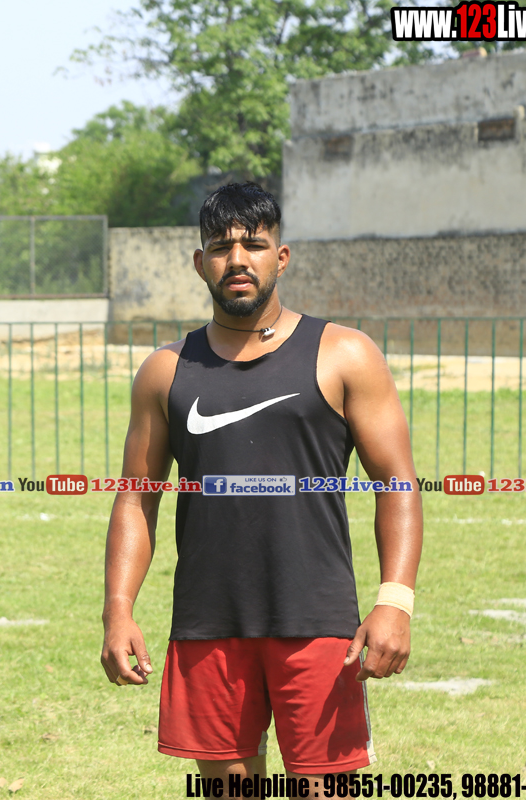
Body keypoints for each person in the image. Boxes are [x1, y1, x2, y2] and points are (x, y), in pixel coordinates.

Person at [100, 182, 422, 781]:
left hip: (318, 621)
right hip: (208, 623)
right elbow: (136, 500)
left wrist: (395, 601)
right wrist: (118, 610)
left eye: (254, 244)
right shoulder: (166, 371)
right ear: (200, 262)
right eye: (221, 247)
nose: (237, 259)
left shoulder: (344, 353)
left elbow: (397, 483)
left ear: (282, 256)